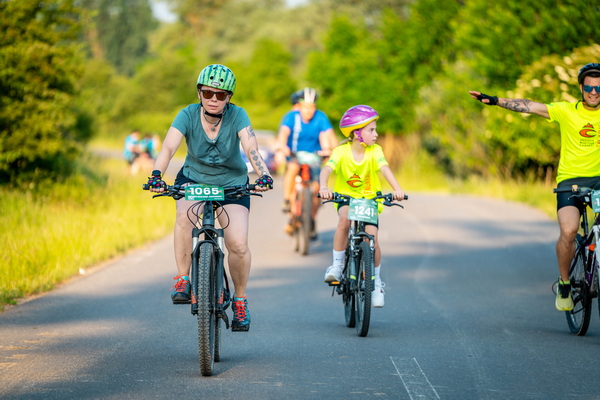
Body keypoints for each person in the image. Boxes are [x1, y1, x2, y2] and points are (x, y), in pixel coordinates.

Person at [147, 64, 273, 332]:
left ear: (229, 97)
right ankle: (183, 279)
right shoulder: (187, 114)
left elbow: (251, 146)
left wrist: (263, 174)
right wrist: (157, 175)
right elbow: (169, 146)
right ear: (199, 93)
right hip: (193, 179)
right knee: (184, 217)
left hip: (232, 183)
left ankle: (240, 300)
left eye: (220, 94)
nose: (213, 99)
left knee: (238, 244)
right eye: (207, 93)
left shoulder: (238, 115)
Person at [469, 62, 600, 312]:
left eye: (599, 88)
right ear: (581, 88)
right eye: (589, 87)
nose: (594, 92)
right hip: (571, 181)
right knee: (569, 231)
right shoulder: (565, 111)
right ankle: (564, 283)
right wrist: (495, 101)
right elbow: (529, 105)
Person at [319, 105, 406, 308]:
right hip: (346, 197)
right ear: (357, 133)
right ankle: (337, 265)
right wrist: (323, 186)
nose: (376, 134)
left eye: (375, 129)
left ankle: (375, 283)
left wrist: (397, 189)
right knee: (344, 220)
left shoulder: (375, 151)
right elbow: (327, 170)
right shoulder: (341, 152)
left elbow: (385, 169)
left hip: (369, 199)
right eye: (371, 130)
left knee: (372, 238)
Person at [275, 87, 337, 236]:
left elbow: (330, 136)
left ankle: (311, 219)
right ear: (300, 106)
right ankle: (288, 201)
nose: (309, 111)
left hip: (314, 157)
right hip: (295, 155)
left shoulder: (321, 117)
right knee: (292, 168)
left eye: (312, 107)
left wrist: (333, 150)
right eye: (305, 107)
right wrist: (282, 147)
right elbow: (283, 134)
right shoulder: (291, 117)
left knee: (316, 188)